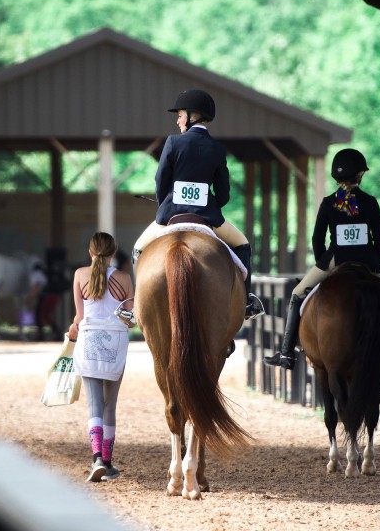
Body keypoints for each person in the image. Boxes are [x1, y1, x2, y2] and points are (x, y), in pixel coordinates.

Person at [263, 149, 380, 381]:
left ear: (336, 177)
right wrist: (373, 262)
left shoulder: (330, 203)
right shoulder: (369, 202)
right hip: (367, 260)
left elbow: (317, 239)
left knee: (297, 294)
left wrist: (324, 265)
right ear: (360, 175)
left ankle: (287, 353)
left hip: (334, 259)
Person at [132, 89, 264, 320]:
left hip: (170, 216)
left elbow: (160, 181)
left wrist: (166, 205)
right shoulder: (217, 148)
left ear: (193, 116)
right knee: (243, 245)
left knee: (138, 249)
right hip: (207, 217)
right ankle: (247, 303)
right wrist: (210, 205)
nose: (178, 120)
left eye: (181, 115)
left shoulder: (173, 143)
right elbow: (223, 192)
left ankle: (137, 305)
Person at [67, 232, 135, 482]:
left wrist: (73, 329)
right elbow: (130, 320)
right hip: (115, 343)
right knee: (110, 405)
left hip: (88, 341)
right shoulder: (125, 278)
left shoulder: (79, 275)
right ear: (113, 252)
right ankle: (107, 462)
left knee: (93, 404)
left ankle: (96, 458)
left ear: (90, 252)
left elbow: (79, 317)